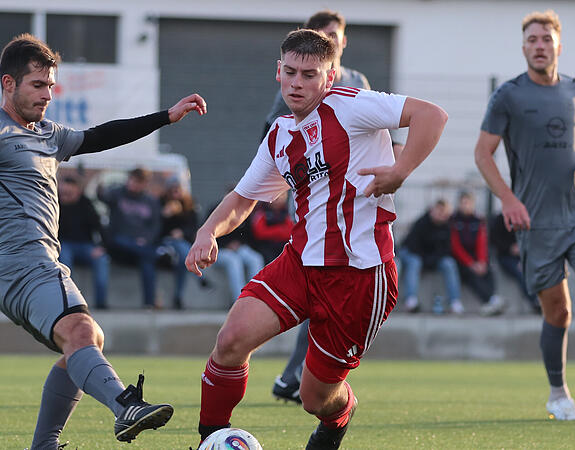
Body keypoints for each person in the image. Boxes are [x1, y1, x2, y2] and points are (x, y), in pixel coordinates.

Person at [0, 34, 206, 447]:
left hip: (45, 265)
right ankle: (124, 406)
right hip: (20, 265)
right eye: (38, 85)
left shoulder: (49, 134)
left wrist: (166, 116)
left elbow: (98, 137)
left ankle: (44, 444)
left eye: (51, 86)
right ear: (8, 84)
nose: (47, 95)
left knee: (86, 340)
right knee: (80, 333)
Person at [185, 29, 447, 448]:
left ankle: (338, 418)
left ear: (329, 78)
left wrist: (400, 171)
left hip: (360, 276)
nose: (297, 83)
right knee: (231, 340)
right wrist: (206, 231)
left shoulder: (353, 107)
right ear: (278, 72)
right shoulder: (279, 135)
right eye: (290, 72)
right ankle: (209, 440)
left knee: (315, 398)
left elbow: (432, 115)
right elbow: (243, 197)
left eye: (309, 74)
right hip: (300, 262)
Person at [474, 10, 575, 421]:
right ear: (524, 46)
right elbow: (482, 153)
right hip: (535, 222)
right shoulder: (508, 95)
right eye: (532, 40)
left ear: (558, 45)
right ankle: (558, 393)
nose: (539, 46)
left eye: (546, 39)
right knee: (559, 311)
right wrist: (508, 200)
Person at [268, 9, 373, 404]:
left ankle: (302, 377)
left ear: (343, 42)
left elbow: (383, 126)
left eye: (336, 34)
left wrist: (395, 166)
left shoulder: (358, 85)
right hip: (313, 206)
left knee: (331, 299)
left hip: (358, 210)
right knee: (315, 291)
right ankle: (299, 375)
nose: (298, 82)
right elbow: (275, 134)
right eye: (323, 32)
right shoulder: (296, 81)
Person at [263, 10, 370, 136]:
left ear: (344, 41)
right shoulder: (295, 90)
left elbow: (374, 125)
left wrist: (395, 146)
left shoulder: (358, 81)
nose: (327, 41)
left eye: (332, 35)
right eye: (320, 36)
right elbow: (270, 133)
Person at [99, 168, 163, 309]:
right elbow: (102, 197)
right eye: (132, 180)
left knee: (147, 261)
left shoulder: (151, 201)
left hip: (141, 246)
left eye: (138, 182)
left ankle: (149, 303)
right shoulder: (118, 194)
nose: (134, 184)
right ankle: (158, 254)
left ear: (144, 184)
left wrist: (145, 239)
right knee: (149, 254)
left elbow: (155, 227)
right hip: (119, 243)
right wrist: (100, 186)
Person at [57, 174, 110, 310]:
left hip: (85, 246)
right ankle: (69, 302)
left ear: (78, 192)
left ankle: (101, 303)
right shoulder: (54, 203)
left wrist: (101, 247)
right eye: (63, 193)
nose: (65, 196)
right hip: (62, 245)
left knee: (102, 259)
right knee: (65, 260)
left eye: (69, 193)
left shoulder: (86, 204)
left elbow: (99, 226)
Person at [450, 191, 505, 316]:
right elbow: (455, 246)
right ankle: (490, 300)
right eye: (463, 203)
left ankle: (492, 299)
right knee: (471, 275)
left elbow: (482, 242)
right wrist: (470, 264)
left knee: (489, 271)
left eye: (468, 203)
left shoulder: (478, 220)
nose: (465, 206)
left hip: (476, 258)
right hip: (461, 260)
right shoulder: (453, 220)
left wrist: (481, 262)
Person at [159, 177, 202, 309]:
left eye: (177, 190)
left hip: (183, 243)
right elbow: (157, 229)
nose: (175, 194)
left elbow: (194, 228)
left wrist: (182, 233)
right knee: (183, 251)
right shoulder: (161, 203)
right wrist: (164, 216)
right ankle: (201, 278)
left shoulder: (190, 206)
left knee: (182, 259)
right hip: (166, 242)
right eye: (172, 191)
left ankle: (178, 297)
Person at [489, 213, 541, 314]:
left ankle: (545, 300)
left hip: (524, 256)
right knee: (520, 273)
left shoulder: (525, 218)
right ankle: (535, 301)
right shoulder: (500, 219)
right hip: (506, 256)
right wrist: (510, 248)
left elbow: (531, 239)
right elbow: (495, 239)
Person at [250, 191, 293, 262]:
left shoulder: (286, 212)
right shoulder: (262, 211)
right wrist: (280, 230)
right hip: (265, 247)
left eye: (281, 196)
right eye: (275, 196)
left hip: (282, 246)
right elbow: (259, 233)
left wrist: (272, 231)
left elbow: (290, 232)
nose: (277, 199)